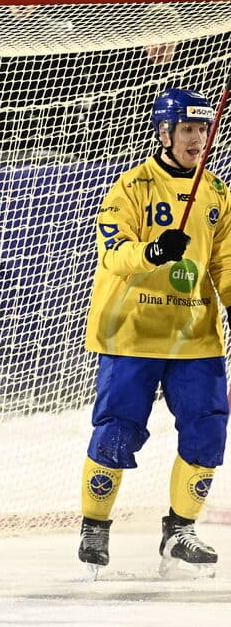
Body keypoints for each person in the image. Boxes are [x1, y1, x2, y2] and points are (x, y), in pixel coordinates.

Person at [77, 88, 229, 577]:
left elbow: (225, 264)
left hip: (194, 336)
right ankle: (95, 526)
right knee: (118, 433)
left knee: (208, 430)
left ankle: (180, 531)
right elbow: (114, 253)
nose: (197, 139)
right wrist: (156, 252)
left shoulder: (219, 193)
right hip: (131, 333)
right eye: (188, 129)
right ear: (164, 133)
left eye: (203, 130)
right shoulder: (132, 187)